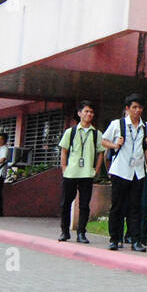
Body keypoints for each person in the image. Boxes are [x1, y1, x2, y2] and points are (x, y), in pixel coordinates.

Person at [102, 94, 147, 251]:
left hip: (138, 172)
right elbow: (103, 140)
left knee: (136, 207)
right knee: (117, 206)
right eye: (134, 107)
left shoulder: (146, 127)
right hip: (120, 170)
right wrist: (114, 145)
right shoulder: (117, 124)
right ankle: (114, 239)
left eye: (140, 107)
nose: (137, 110)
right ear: (127, 109)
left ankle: (135, 240)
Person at [57, 102, 99, 244]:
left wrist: (96, 169)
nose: (89, 114)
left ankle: (81, 233)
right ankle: (65, 232)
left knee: (84, 205)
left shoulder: (95, 133)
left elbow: (101, 153)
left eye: (91, 112)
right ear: (79, 113)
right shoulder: (71, 132)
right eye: (86, 111)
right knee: (65, 203)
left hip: (87, 174)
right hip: (71, 173)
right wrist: (64, 168)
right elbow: (64, 150)